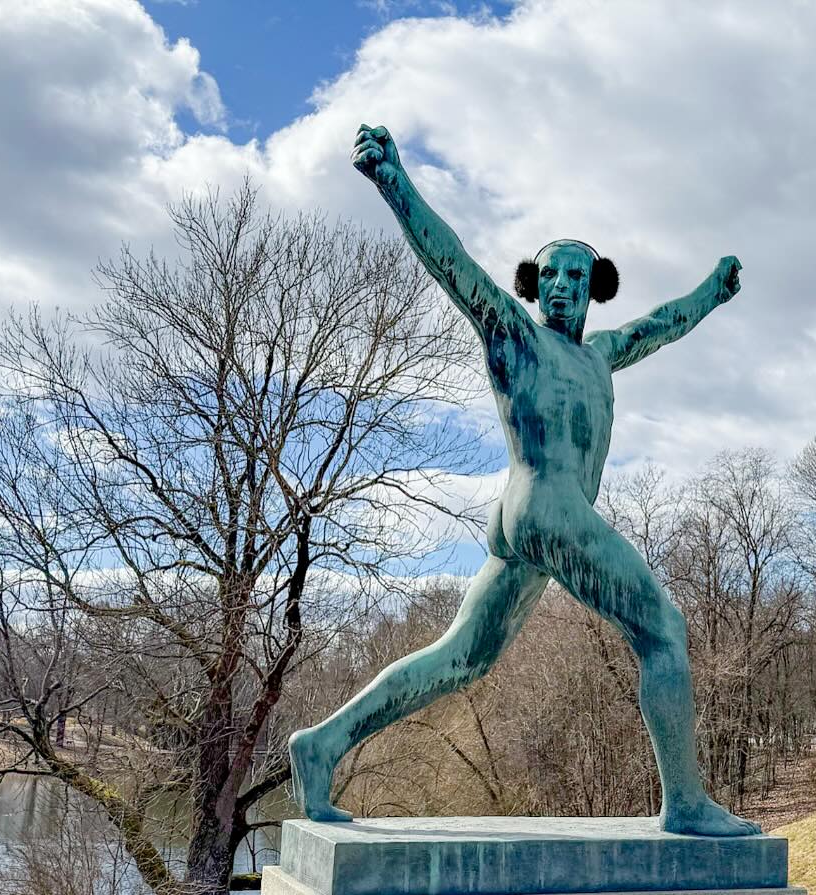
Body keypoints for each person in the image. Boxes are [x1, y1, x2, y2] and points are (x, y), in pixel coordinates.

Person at [289, 124, 758, 835]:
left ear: (593, 289)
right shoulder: (513, 332)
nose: (563, 285)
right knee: (664, 630)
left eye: (577, 275)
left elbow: (663, 324)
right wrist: (394, 181)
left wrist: (712, 294)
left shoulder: (601, 353)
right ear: (534, 286)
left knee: (462, 657)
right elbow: (452, 264)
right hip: (547, 505)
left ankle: (322, 745)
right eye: (552, 276)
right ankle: (687, 804)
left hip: (526, 525)